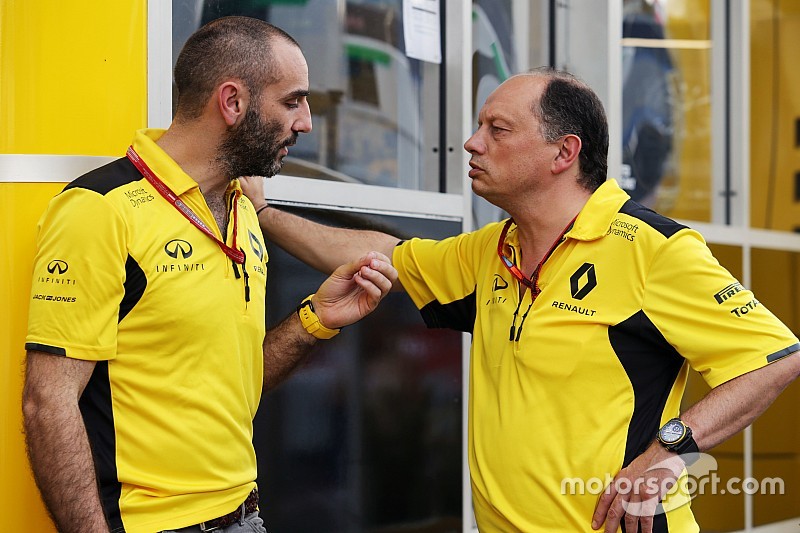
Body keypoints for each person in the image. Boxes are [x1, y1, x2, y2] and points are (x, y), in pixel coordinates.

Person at [241, 67, 800, 533]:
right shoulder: (489, 253)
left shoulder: (653, 249)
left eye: (497, 128)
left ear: (563, 153)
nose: (471, 141)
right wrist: (263, 216)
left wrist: (670, 452)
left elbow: (774, 358)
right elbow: (380, 253)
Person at [22, 16, 396, 533]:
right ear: (233, 102)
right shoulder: (101, 209)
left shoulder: (242, 206)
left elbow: (232, 384)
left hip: (245, 515)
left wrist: (314, 321)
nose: (306, 122)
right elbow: (48, 402)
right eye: (292, 101)